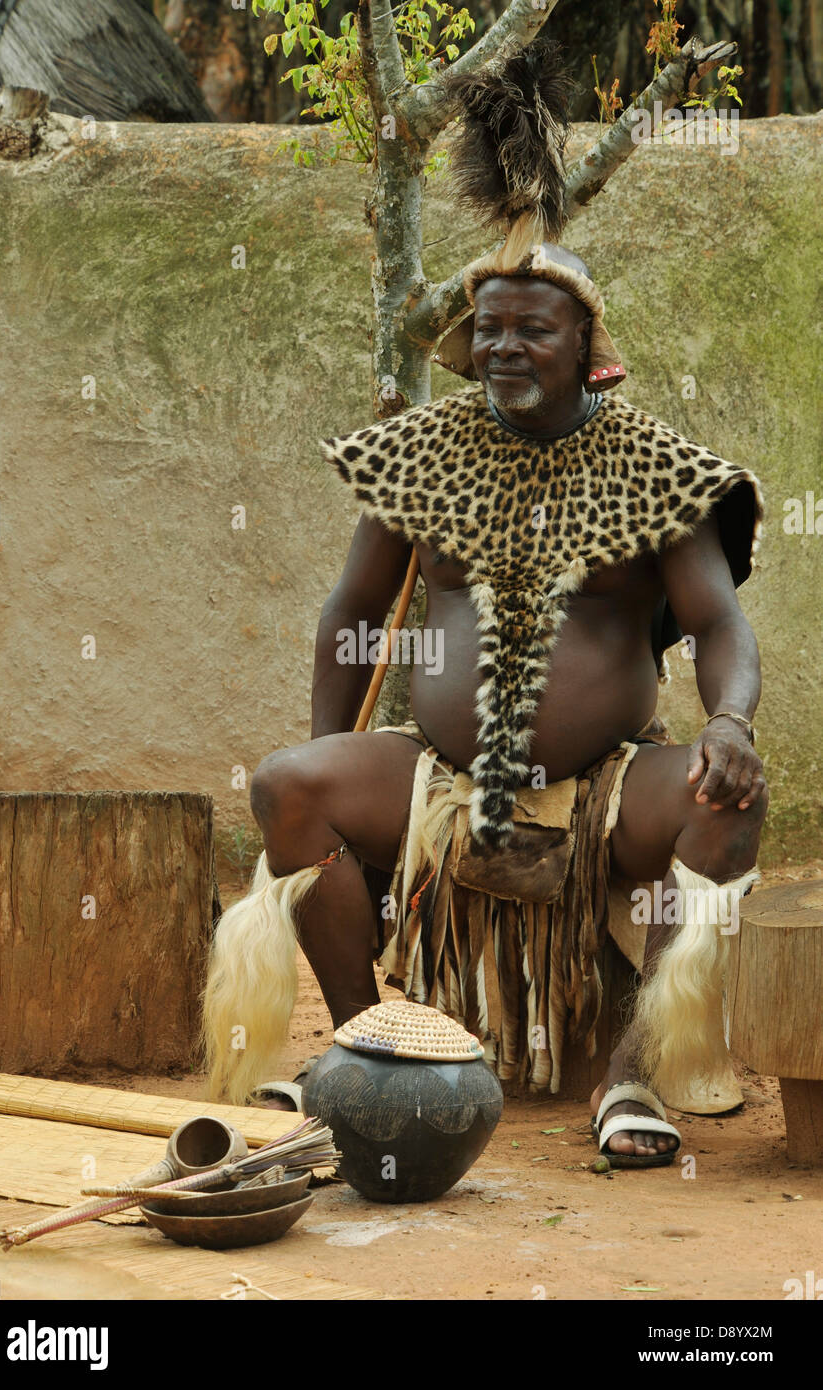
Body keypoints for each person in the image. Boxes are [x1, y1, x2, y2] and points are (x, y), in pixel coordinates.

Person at [202, 40, 766, 1168]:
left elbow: (715, 623)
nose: (506, 346)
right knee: (286, 788)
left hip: (608, 782)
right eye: (490, 329)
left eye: (533, 329)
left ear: (583, 349)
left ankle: (627, 1079)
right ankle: (363, 1050)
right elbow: (347, 612)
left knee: (723, 807)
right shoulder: (419, 455)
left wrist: (728, 721)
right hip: (436, 777)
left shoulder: (656, 468)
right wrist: (336, 739)